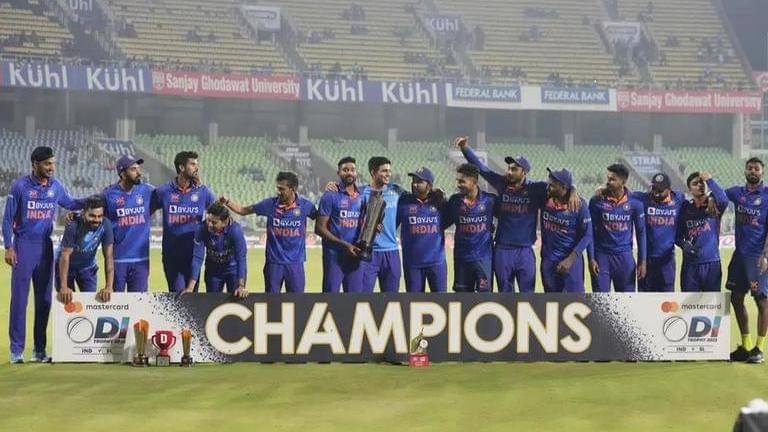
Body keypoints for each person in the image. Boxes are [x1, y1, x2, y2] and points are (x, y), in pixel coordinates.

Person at [456, 136, 580, 292]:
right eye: (509, 168)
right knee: (505, 294)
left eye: (514, 169)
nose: (509, 172)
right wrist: (465, 148)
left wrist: (573, 189)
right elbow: (481, 168)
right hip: (503, 249)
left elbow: (560, 185)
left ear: (524, 172)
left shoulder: (536, 189)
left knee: (527, 295)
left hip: (525, 251)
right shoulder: (502, 183)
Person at [3, 146, 85, 363]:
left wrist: (96, 199)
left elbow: (72, 203)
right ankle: (16, 351)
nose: (52, 167)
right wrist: (9, 247)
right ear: (35, 164)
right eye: (47, 164)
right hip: (23, 246)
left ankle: (39, 350)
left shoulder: (55, 186)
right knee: (19, 300)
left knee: (45, 300)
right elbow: (7, 219)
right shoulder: (20, 186)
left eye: (53, 163)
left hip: (45, 247)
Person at [222, 172, 317, 293]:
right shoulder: (269, 204)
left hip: (295, 264)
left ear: (293, 189)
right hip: (273, 263)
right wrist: (227, 201)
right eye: (278, 188)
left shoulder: (306, 206)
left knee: (297, 300)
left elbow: (321, 219)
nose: (278, 192)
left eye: (282, 189)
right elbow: (243, 210)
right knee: (271, 301)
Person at [151, 151, 215, 292]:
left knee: (193, 296)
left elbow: (219, 213)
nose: (196, 168)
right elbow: (146, 212)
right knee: (178, 295)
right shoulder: (164, 191)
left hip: (194, 256)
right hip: (172, 255)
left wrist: (208, 228)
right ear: (181, 167)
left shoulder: (203, 192)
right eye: (192, 164)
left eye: (196, 164)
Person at [725, 158, 768, 363]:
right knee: (736, 298)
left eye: (756, 169)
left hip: (757, 257)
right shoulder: (737, 193)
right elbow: (718, 196)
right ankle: (746, 345)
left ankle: (759, 349)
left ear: (762, 172)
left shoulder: (767, 195)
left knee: (761, 300)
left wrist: (765, 254)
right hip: (739, 256)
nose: (753, 171)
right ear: (745, 171)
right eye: (750, 168)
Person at [588, 164, 647, 292]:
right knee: (600, 299)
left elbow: (641, 232)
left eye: (612, 179)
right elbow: (590, 231)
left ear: (623, 182)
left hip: (624, 256)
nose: (608, 182)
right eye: (608, 178)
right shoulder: (597, 201)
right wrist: (591, 258)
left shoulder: (635, 202)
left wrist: (642, 261)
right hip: (602, 256)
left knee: (626, 300)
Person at [102, 155, 154, 292]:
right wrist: (74, 215)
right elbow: (93, 210)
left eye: (138, 168)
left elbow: (169, 197)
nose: (139, 172)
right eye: (133, 169)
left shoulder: (147, 190)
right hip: (117, 259)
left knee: (139, 302)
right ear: (123, 174)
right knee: (116, 302)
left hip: (141, 260)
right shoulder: (108, 194)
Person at [443, 163, 497, 292]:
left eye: (462, 181)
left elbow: (507, 218)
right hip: (462, 259)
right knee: (463, 298)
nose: (458, 185)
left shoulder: (490, 200)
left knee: (485, 298)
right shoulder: (454, 201)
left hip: (483, 259)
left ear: (474, 181)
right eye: (457, 181)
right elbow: (442, 222)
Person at [315, 157, 365, 293]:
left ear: (356, 172)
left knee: (355, 299)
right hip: (334, 255)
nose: (349, 173)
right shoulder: (330, 196)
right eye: (345, 170)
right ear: (338, 173)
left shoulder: (363, 196)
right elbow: (319, 228)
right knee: (331, 297)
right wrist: (345, 245)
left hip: (355, 255)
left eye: (352, 170)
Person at [540, 169, 592, 293]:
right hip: (549, 260)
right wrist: (573, 189)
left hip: (571, 261)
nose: (548, 187)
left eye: (552, 185)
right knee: (551, 301)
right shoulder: (544, 198)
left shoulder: (579, 205)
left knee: (575, 301)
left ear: (563, 187)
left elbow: (587, 235)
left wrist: (570, 260)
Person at [396, 167, 447, 292]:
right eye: (413, 181)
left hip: (436, 262)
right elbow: (393, 224)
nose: (414, 184)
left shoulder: (440, 202)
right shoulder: (403, 201)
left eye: (419, 181)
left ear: (429, 185)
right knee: (414, 301)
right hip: (412, 263)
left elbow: (450, 220)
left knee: (441, 300)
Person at [56, 195, 115, 304]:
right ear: (83, 213)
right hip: (66, 267)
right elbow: (65, 255)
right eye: (92, 216)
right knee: (67, 303)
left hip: (87, 267)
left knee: (90, 304)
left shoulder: (106, 225)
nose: (96, 220)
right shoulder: (73, 224)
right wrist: (63, 286)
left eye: (99, 216)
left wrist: (109, 286)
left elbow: (109, 257)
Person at [359, 157, 406, 292]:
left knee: (391, 298)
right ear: (373, 173)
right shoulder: (360, 193)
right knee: (363, 297)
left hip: (391, 251)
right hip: (368, 252)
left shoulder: (397, 191)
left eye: (389, 171)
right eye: (384, 171)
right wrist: (333, 186)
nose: (388, 174)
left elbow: (417, 197)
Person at [676, 171, 727, 292]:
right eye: (695, 184)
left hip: (712, 263)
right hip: (690, 265)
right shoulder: (685, 208)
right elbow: (677, 236)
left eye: (702, 183)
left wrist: (710, 180)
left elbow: (724, 200)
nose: (700, 185)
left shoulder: (713, 205)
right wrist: (684, 245)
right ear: (689, 190)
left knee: (712, 302)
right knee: (689, 302)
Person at [632, 173, 684, 292]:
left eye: (660, 190)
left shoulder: (678, 199)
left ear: (669, 190)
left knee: (666, 298)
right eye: (654, 188)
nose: (656, 193)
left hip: (667, 260)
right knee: (645, 298)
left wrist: (711, 198)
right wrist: (603, 190)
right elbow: (622, 193)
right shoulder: (642, 198)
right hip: (646, 259)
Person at [185, 202, 248, 297]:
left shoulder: (235, 230)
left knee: (236, 298)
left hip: (233, 269)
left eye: (214, 222)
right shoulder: (201, 229)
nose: (209, 225)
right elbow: (197, 258)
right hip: (213, 271)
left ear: (224, 222)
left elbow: (241, 258)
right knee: (212, 301)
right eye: (208, 220)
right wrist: (190, 288)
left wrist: (241, 286)